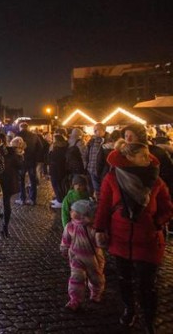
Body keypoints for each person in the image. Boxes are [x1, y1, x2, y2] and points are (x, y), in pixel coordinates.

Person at [94, 140, 173, 333]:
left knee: (148, 284)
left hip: (148, 240)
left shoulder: (155, 180)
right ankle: (129, 309)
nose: (148, 159)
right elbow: (104, 205)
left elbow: (167, 207)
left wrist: (157, 222)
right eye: (142, 155)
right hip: (120, 237)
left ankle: (149, 317)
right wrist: (99, 229)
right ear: (129, 158)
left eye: (147, 155)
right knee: (124, 278)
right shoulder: (112, 178)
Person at [60, 199, 105, 311]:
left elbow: (100, 242)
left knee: (96, 278)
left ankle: (96, 293)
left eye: (73, 211)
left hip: (93, 258)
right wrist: (64, 248)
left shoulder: (93, 228)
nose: (70, 212)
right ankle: (75, 299)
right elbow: (66, 239)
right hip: (76, 257)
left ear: (81, 214)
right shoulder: (70, 226)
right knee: (76, 277)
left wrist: (102, 239)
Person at [0, 134, 24, 237]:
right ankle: (5, 228)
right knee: (6, 203)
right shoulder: (12, 152)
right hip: (8, 181)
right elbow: (20, 166)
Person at [16, 122, 43, 205]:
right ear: (27, 127)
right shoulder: (35, 136)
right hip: (32, 161)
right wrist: (36, 157)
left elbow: (12, 147)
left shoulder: (17, 135)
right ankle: (33, 199)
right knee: (33, 180)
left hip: (21, 161)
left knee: (21, 180)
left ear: (20, 127)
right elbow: (40, 147)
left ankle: (22, 198)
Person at [86, 123, 109, 199]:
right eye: (94, 130)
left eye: (97, 130)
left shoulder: (107, 141)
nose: (95, 132)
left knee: (102, 190)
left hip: (101, 170)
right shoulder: (92, 141)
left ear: (103, 130)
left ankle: (101, 205)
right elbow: (89, 154)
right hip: (92, 169)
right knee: (95, 190)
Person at [48, 129, 69, 209]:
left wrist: (50, 152)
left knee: (56, 185)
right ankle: (58, 199)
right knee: (59, 185)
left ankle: (60, 201)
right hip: (59, 169)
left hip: (56, 170)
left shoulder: (57, 148)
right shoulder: (64, 147)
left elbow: (51, 159)